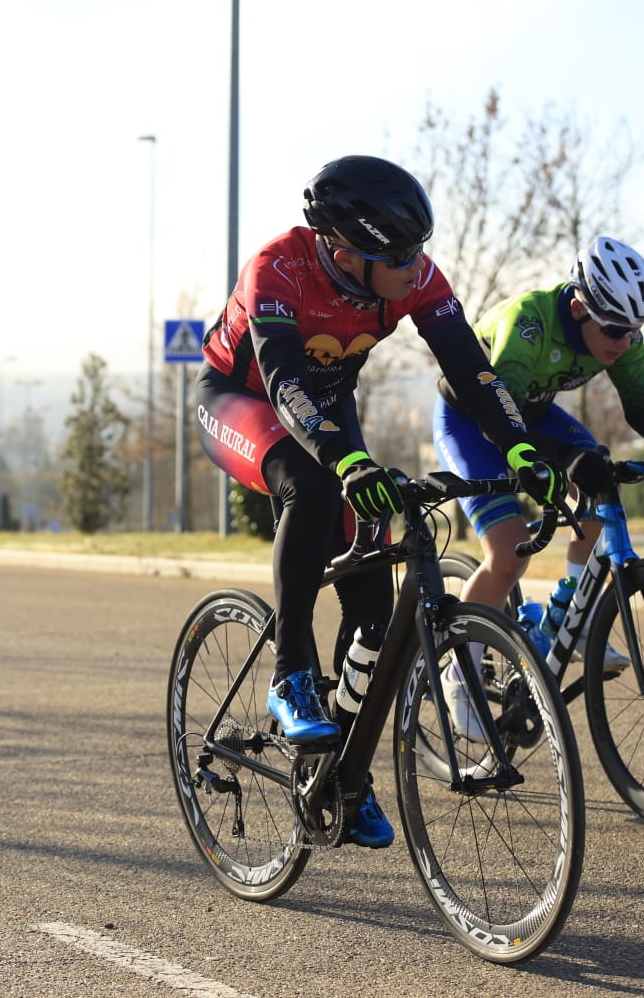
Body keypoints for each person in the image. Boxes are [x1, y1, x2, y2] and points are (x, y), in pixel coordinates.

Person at [194, 154, 565, 849]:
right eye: (395, 253)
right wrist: (348, 459)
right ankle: (290, 677)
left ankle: (339, 776)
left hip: (330, 409)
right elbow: (284, 383)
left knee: (372, 607)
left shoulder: (414, 276)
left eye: (418, 248)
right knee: (312, 486)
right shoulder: (278, 268)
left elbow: (471, 369)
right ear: (343, 250)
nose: (413, 264)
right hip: (245, 400)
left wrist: (520, 448)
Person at [433, 234, 644, 735]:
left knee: (600, 486)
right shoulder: (529, 323)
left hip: (529, 412)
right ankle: (458, 671)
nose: (624, 342)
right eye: (616, 329)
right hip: (473, 418)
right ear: (579, 307)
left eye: (635, 331)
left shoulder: (622, 339)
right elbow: (500, 416)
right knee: (510, 553)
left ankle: (569, 620)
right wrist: (563, 457)